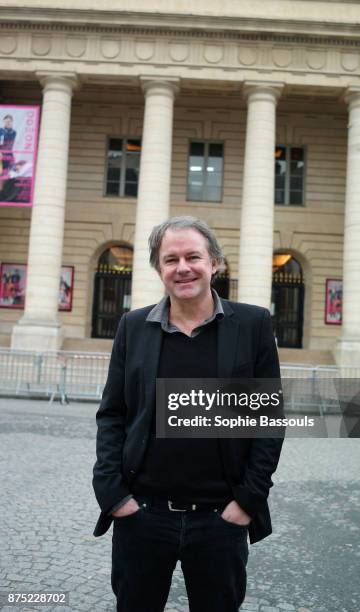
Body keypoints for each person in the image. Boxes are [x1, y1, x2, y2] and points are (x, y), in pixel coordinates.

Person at [93, 216, 284, 612]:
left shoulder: (253, 324)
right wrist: (113, 494)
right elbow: (113, 414)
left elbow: (267, 419)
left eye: (193, 256)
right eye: (170, 259)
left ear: (214, 263)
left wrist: (248, 499)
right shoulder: (132, 326)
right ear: (159, 269)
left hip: (220, 519)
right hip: (141, 516)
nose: (183, 267)